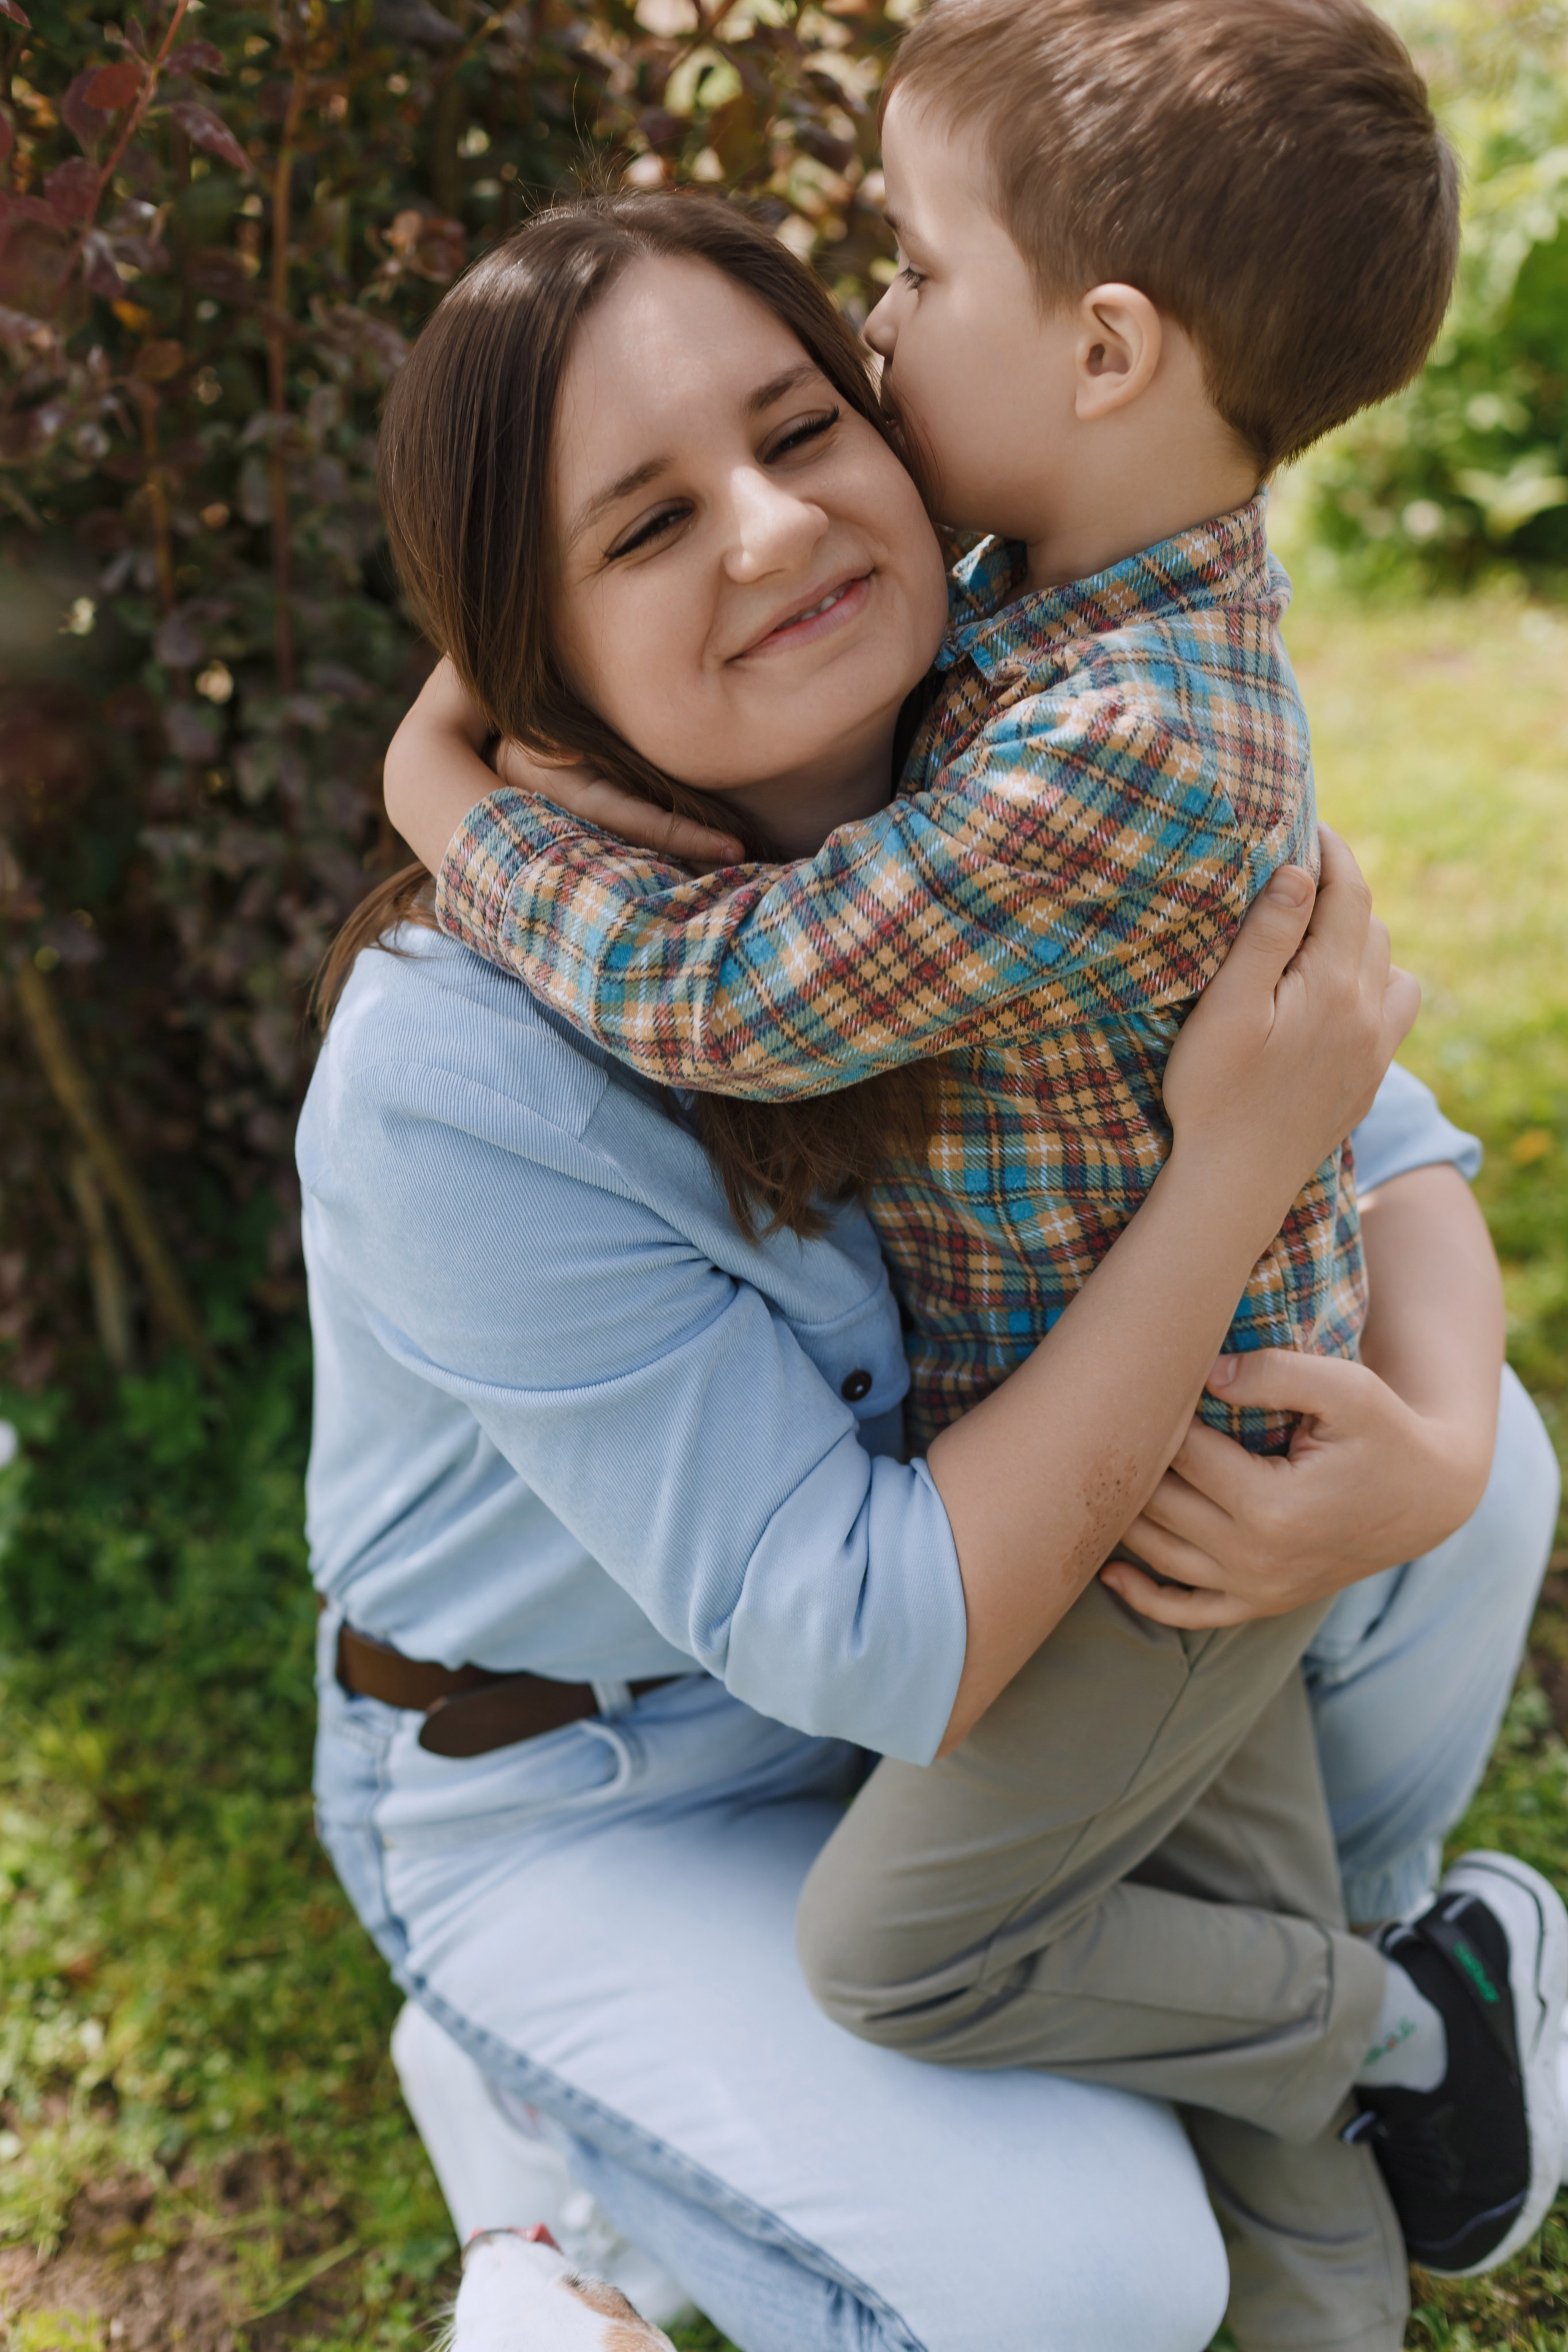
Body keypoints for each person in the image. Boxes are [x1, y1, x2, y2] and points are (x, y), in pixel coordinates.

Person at [383, 11, 1562, 2342]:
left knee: (901, 1950)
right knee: (1203, 2076)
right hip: (1068, 1499)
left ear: (1108, 346)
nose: (889, 324)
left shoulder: (1115, 733)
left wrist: (450, 817)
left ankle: (1406, 2030)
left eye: (909, 278)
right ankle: (1374, 2070)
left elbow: (736, 997)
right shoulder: (1055, 621)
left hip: (1147, 1501)